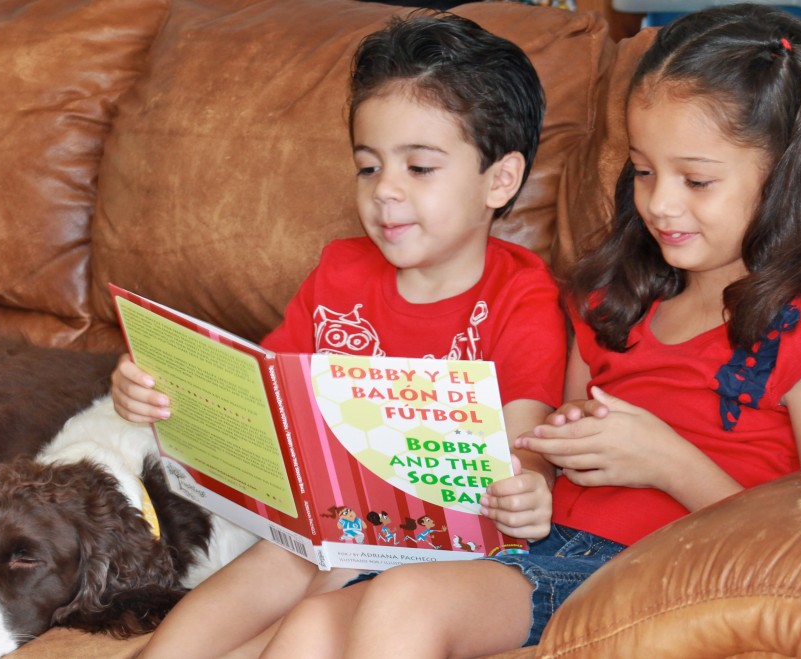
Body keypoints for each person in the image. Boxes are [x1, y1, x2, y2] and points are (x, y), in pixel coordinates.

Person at [259, 4, 801, 657]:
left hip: (651, 575)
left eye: (697, 179)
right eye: (644, 171)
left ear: (792, 174)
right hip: (543, 549)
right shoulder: (616, 299)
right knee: (315, 621)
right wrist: (531, 470)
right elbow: (547, 437)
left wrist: (668, 461)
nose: (660, 203)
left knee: (403, 603)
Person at [110, 12, 568, 658]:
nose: (385, 191)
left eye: (420, 167)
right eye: (368, 166)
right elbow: (257, 390)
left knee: (292, 629)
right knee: (197, 622)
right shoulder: (342, 270)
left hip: (431, 547)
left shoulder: (522, 298)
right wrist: (156, 389)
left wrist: (526, 484)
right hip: (319, 530)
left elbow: (527, 448)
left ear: (501, 179)